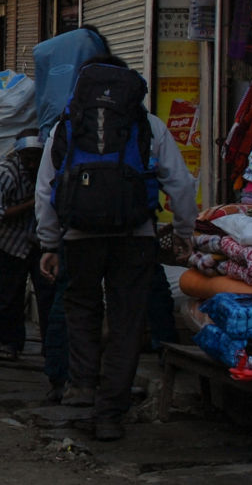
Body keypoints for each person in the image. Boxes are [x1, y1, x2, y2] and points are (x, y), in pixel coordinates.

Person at [35, 56, 196, 442]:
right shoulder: (147, 125)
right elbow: (182, 184)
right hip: (135, 237)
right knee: (127, 323)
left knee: (82, 314)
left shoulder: (67, 127)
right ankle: (110, 415)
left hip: (78, 238)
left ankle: (83, 391)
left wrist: (49, 242)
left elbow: (46, 189)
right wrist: (184, 230)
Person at [0, 132, 54, 364]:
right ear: (19, 156)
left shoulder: (47, 170)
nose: (32, 164)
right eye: (28, 159)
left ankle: (51, 345)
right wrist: (33, 202)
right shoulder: (7, 173)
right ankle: (10, 343)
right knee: (9, 294)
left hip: (39, 241)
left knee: (46, 295)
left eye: (36, 158)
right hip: (10, 241)